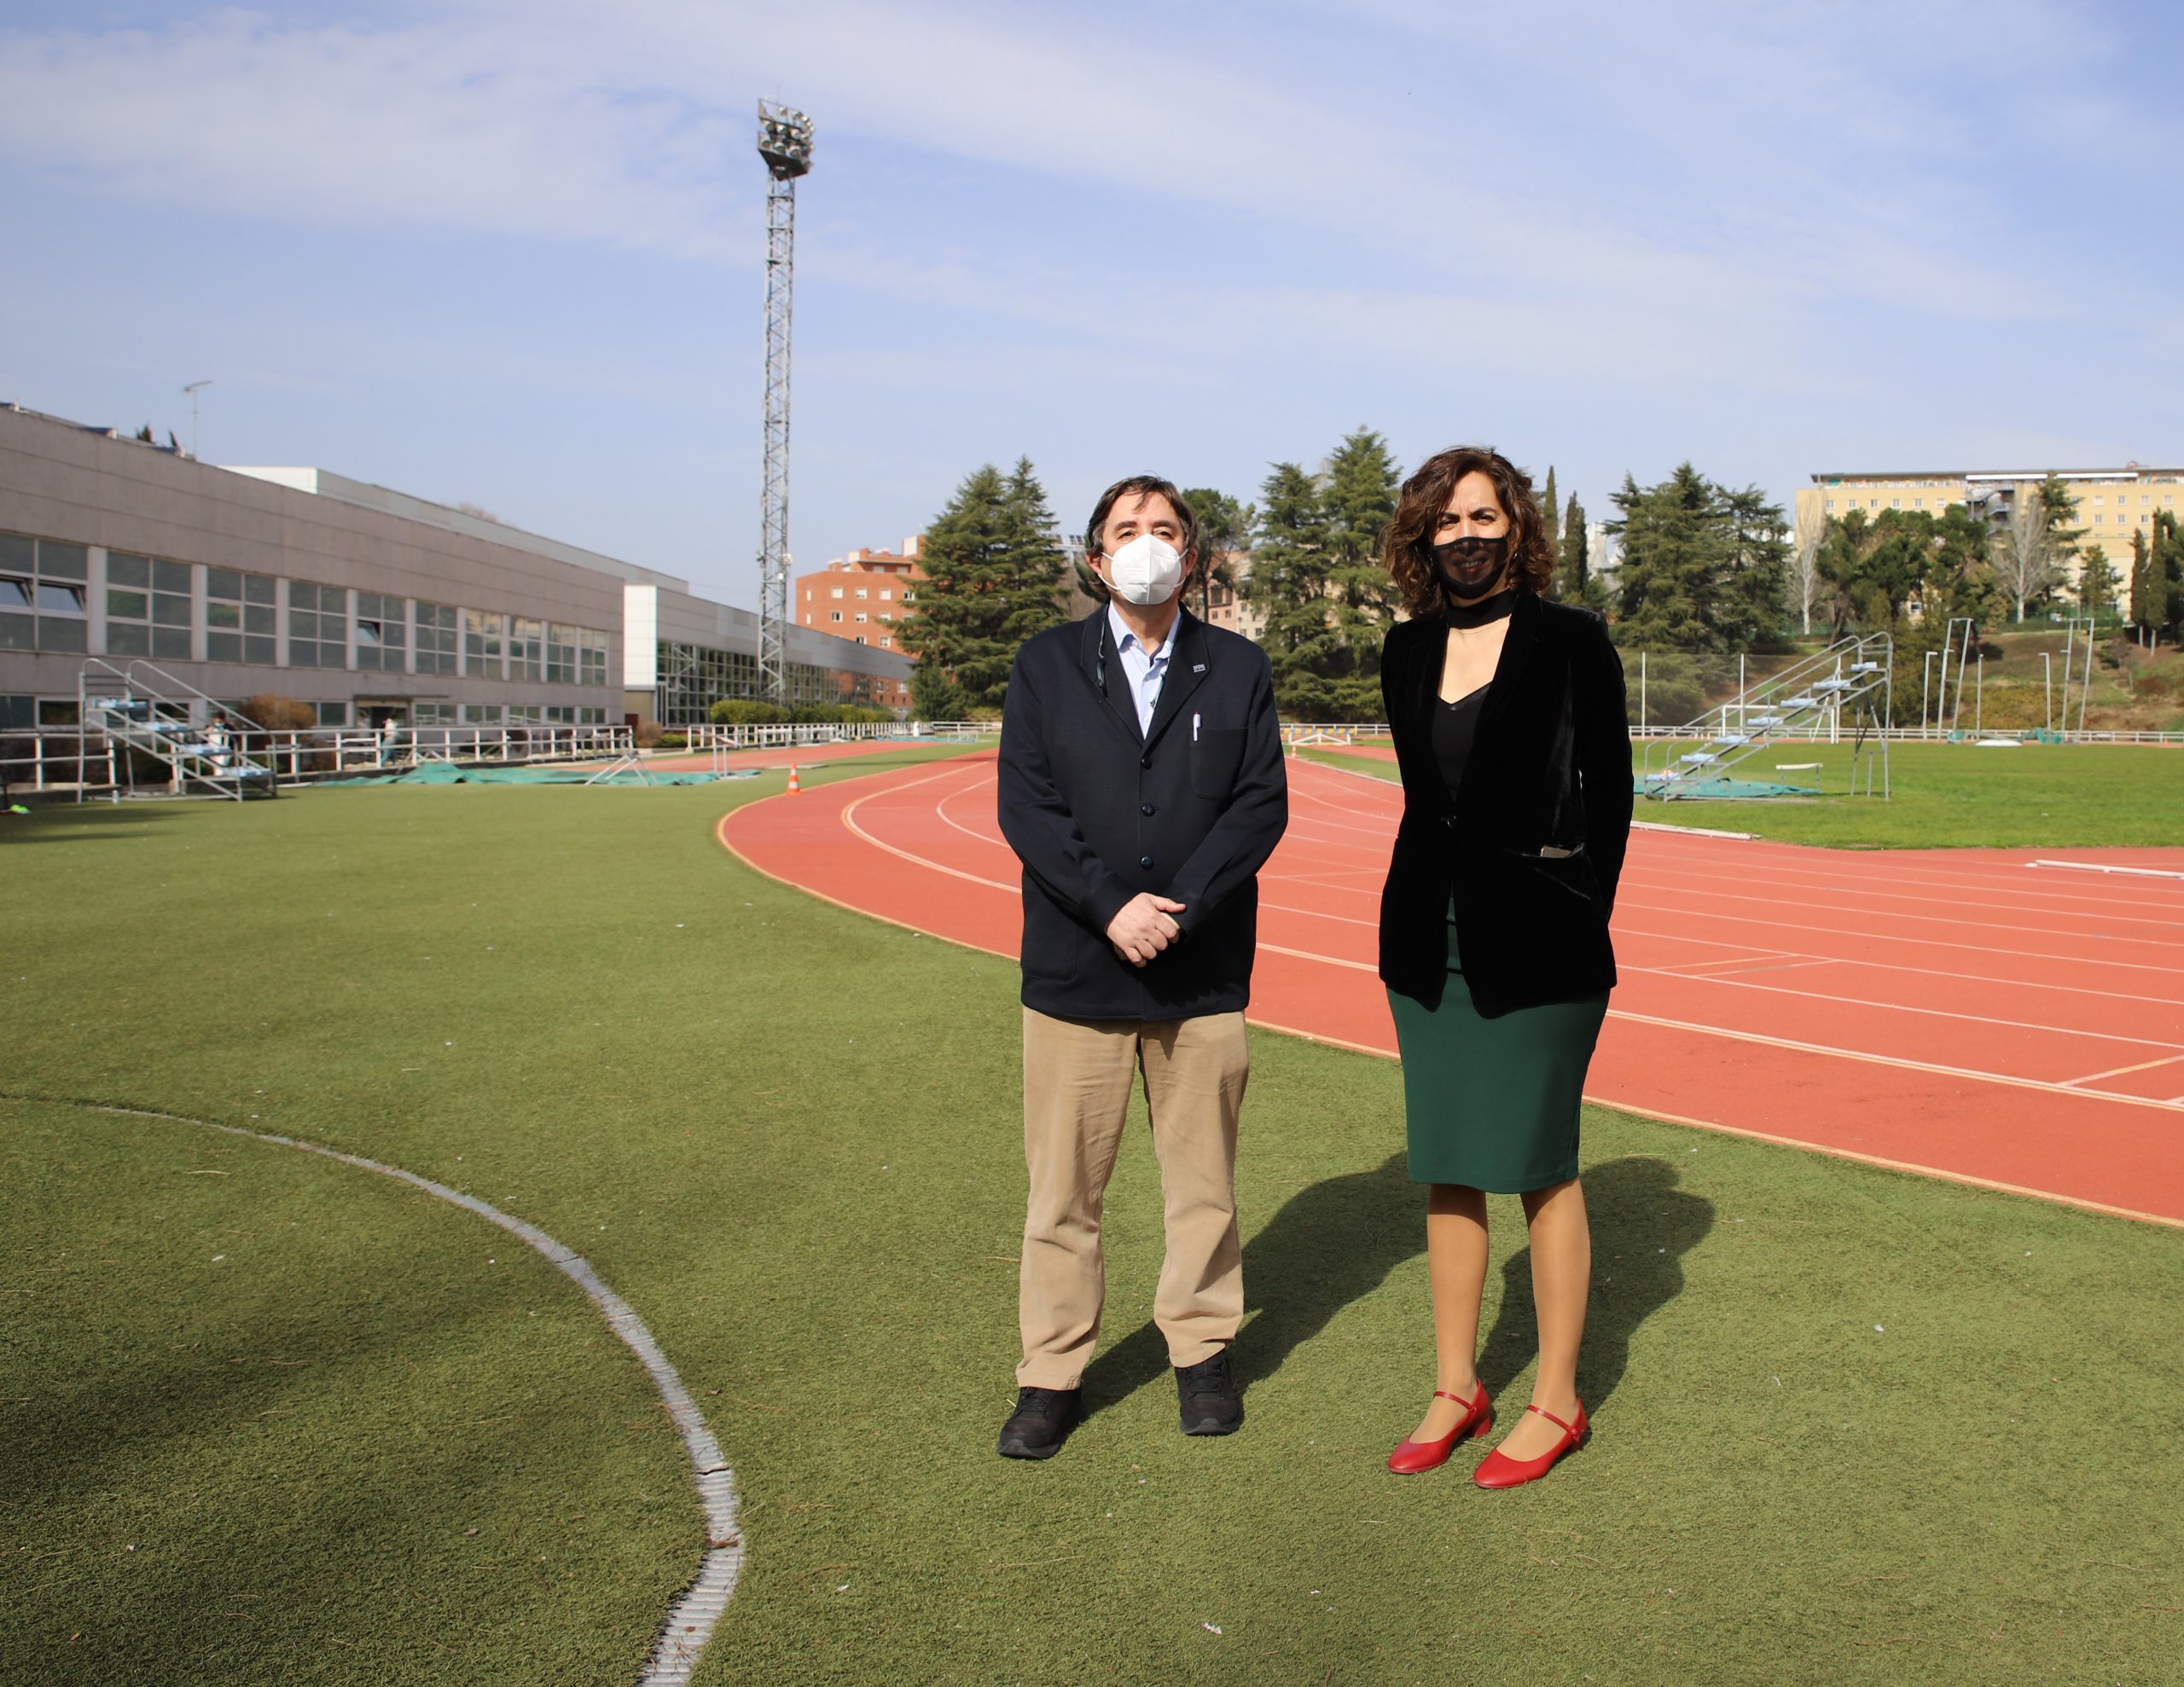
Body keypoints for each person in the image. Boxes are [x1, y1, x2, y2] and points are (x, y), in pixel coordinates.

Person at [992, 475, 1288, 1460]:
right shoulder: (1044, 666)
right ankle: (1051, 1373)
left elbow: (1257, 808)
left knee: (1202, 1184)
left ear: (1193, 559)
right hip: (1078, 972)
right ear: (1094, 558)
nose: (1146, 544)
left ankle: (1201, 1353)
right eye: (1127, 529)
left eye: (1164, 530)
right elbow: (1028, 809)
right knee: (1062, 1192)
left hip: (1199, 976)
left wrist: (1183, 909)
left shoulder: (1237, 668)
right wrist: (1109, 905)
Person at [1374, 445, 1633, 1490]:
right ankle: (1454, 1385)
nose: (1465, 536)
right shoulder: (1404, 647)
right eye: (1444, 522)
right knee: (1445, 1159)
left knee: (1536, 1163)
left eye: (1483, 516)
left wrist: (1575, 906)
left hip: (1542, 945)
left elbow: (1608, 794)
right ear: (1421, 540)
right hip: (1423, 942)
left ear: (1514, 527)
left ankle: (1557, 1400)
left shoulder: (1572, 639)